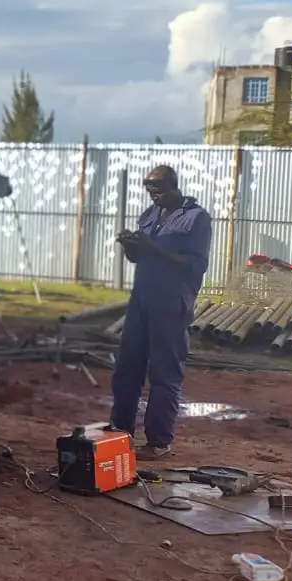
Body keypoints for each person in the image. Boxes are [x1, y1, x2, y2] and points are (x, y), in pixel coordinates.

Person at [110, 165, 212, 460]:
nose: (155, 198)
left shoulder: (196, 218)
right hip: (141, 300)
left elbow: (196, 265)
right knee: (127, 369)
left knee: (164, 373)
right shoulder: (150, 214)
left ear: (174, 186)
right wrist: (131, 246)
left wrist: (152, 247)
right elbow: (138, 257)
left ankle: (158, 442)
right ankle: (120, 433)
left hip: (171, 303)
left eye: (159, 192)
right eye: (150, 192)